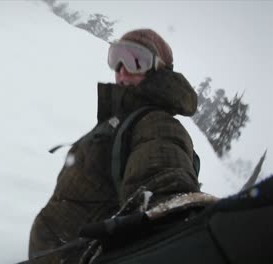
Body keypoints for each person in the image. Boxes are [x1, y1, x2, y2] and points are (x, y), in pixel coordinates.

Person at [28, 29, 201, 263]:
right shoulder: (118, 121)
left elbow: (163, 198)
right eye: (116, 59)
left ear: (159, 70)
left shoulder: (155, 123)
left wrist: (167, 211)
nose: (121, 71)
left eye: (134, 60)